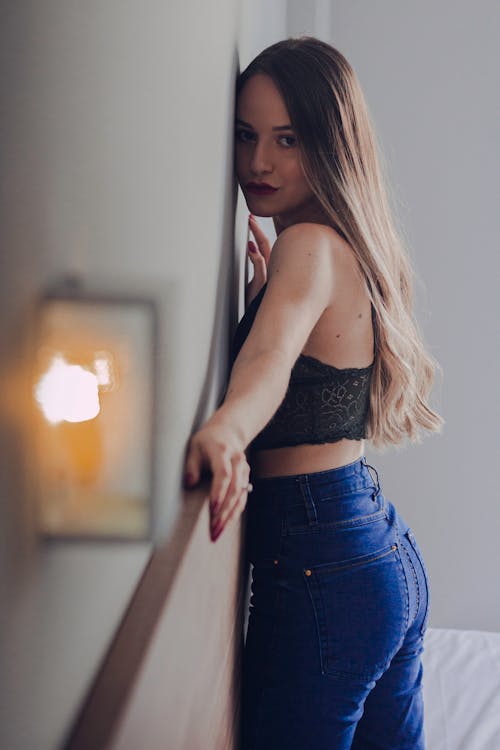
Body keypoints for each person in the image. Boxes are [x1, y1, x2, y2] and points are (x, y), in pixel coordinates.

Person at [183, 36, 444, 750]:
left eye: (287, 139)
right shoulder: (342, 245)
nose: (258, 162)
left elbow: (269, 362)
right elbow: (291, 348)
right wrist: (267, 299)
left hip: (320, 565)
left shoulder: (307, 246)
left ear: (330, 145)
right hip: (378, 553)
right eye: (245, 136)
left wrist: (227, 432)